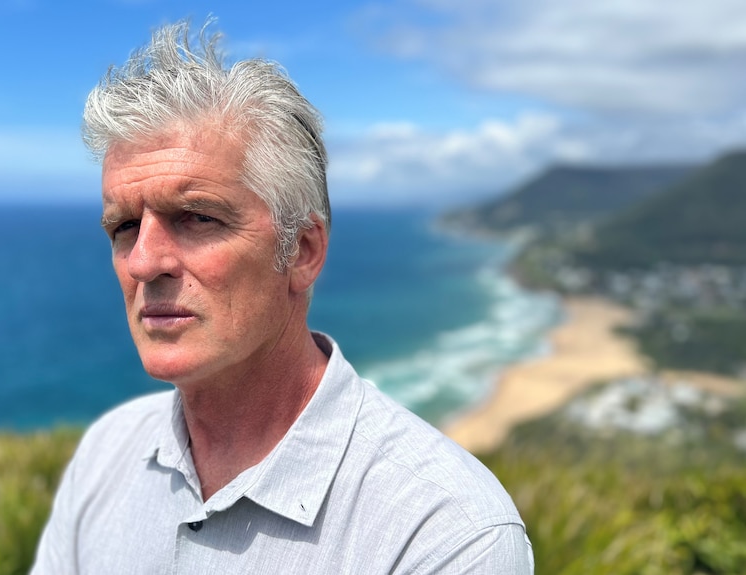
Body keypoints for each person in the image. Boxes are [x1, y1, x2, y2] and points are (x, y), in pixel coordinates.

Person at [31, 20, 533, 574]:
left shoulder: (444, 532)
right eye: (125, 226)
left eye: (197, 217)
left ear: (303, 251)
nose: (145, 261)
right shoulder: (106, 455)